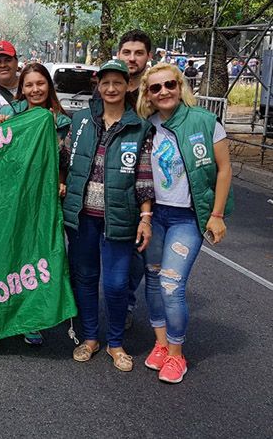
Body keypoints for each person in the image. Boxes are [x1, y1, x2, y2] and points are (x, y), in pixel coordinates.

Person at [137, 63, 233, 384]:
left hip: (186, 219)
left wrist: (216, 215)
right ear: (148, 95)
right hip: (155, 217)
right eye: (155, 88)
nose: (163, 91)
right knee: (152, 280)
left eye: (169, 85)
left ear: (180, 86)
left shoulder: (206, 122)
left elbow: (224, 169)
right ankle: (161, 345)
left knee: (171, 284)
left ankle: (177, 355)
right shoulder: (146, 127)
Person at [62, 60, 154, 372]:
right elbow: (64, 157)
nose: (111, 89)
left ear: (128, 85)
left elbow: (143, 177)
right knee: (85, 278)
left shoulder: (139, 126)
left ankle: (116, 343)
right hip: (82, 216)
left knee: (116, 284)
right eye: (105, 83)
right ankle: (89, 338)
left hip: (120, 218)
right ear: (98, 86)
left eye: (118, 82)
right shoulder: (82, 121)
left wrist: (145, 216)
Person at [0, 62, 72, 346]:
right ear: (21, 89)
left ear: (48, 85)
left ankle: (33, 317)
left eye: (40, 83)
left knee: (40, 258)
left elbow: (65, 161)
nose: (35, 89)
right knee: (12, 254)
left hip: (45, 200)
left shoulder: (62, 122)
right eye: (29, 85)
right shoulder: (7, 115)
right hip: (14, 198)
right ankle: (5, 313)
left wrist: (62, 180)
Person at [114, 29, 154, 329]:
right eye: (126, 52)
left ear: (147, 56)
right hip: (116, 184)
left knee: (140, 256)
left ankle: (126, 302)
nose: (132, 58)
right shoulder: (111, 85)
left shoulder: (155, 90)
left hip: (151, 181)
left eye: (138, 53)